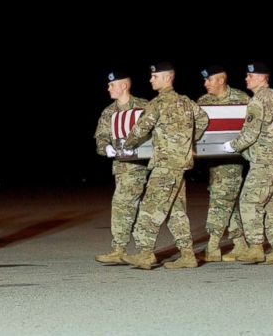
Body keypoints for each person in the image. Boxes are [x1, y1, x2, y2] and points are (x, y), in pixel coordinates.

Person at [121, 62, 208, 270]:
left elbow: (140, 129)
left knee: (150, 207)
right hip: (179, 165)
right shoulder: (187, 102)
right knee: (175, 211)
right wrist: (187, 142)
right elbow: (203, 120)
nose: (151, 79)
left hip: (165, 165)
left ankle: (145, 253)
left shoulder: (157, 104)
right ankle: (187, 255)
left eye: (155, 76)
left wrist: (125, 146)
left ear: (167, 78)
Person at [222, 62, 273, 264]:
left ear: (262, 77)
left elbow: (250, 134)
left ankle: (255, 247)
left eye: (250, 76)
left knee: (249, 201)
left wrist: (232, 146)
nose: (246, 79)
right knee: (270, 204)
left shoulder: (258, 101)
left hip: (263, 161)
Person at [92, 70, 149, 264]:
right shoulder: (109, 112)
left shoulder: (144, 107)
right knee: (126, 206)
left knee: (125, 205)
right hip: (122, 168)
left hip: (142, 166)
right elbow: (101, 137)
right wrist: (105, 147)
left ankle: (129, 249)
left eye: (112, 85)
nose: (108, 88)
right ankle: (130, 250)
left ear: (124, 86)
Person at [196, 64, 249, 263]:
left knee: (220, 200)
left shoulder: (241, 99)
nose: (205, 84)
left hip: (232, 161)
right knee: (228, 200)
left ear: (221, 80)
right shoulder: (203, 101)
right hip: (213, 162)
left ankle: (213, 245)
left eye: (209, 80)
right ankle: (241, 243)